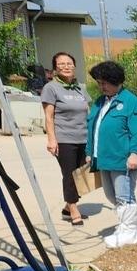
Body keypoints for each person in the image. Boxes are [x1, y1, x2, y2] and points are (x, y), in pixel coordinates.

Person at [86, 61, 137, 248]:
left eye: (105, 83)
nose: (101, 87)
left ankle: (128, 231)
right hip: (104, 158)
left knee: (124, 197)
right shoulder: (100, 102)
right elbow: (93, 127)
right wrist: (90, 152)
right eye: (99, 83)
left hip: (123, 159)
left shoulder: (132, 103)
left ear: (116, 81)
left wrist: (135, 154)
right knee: (111, 195)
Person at [41, 52, 90, 226]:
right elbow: (49, 117)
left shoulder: (80, 87)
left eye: (69, 63)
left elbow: (88, 112)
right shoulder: (51, 88)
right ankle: (74, 209)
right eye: (61, 64)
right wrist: (51, 140)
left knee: (82, 174)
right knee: (69, 175)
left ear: (74, 66)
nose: (66, 67)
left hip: (83, 137)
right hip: (64, 139)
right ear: (55, 68)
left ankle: (67, 206)